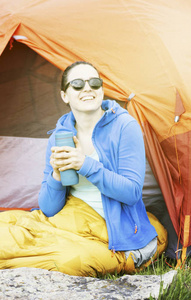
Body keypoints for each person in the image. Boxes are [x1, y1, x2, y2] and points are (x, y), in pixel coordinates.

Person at [38, 61, 158, 267]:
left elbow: (131, 193)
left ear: (101, 90)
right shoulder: (60, 136)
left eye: (94, 82)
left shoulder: (125, 127)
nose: (87, 88)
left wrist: (85, 164)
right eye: (77, 84)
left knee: (70, 262)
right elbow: (48, 209)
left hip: (115, 227)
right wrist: (56, 176)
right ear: (65, 95)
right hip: (74, 219)